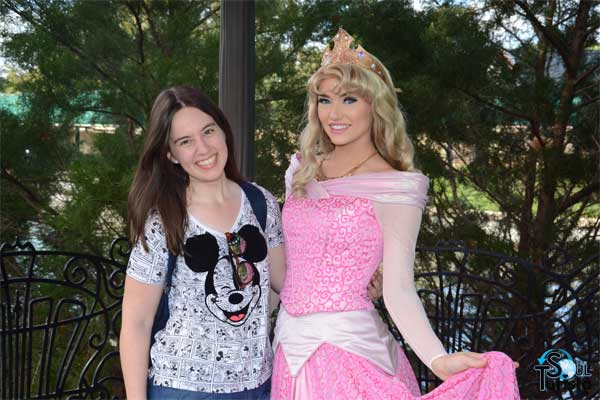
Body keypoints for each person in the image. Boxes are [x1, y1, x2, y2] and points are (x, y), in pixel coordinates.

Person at [270, 28, 520, 399]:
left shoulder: (398, 187)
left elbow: (399, 288)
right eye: (324, 100)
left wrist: (437, 359)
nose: (333, 114)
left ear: (376, 105)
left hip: (350, 356)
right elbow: (288, 269)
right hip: (288, 353)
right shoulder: (301, 171)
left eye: (349, 99)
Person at [119, 86, 286, 399]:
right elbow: (136, 324)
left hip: (259, 385)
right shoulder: (164, 219)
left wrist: (361, 281)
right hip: (185, 388)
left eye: (208, 131)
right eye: (185, 141)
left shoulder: (261, 203)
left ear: (223, 131)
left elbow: (286, 283)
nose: (203, 148)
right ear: (171, 154)